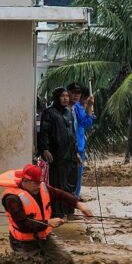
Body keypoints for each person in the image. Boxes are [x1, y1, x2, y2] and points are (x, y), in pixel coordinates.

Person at [0, 164, 92, 254]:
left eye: (39, 182)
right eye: (35, 183)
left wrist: (78, 204)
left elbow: (60, 194)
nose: (38, 186)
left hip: (43, 237)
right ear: (25, 181)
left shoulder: (42, 188)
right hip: (23, 243)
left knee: (64, 261)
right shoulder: (12, 199)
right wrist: (48, 223)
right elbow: (23, 225)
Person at [38, 87, 77, 217]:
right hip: (57, 154)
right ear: (57, 98)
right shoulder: (49, 113)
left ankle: (68, 210)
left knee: (70, 184)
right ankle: (57, 213)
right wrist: (45, 149)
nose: (65, 98)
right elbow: (44, 132)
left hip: (70, 154)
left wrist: (76, 152)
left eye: (67, 95)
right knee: (58, 184)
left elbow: (72, 134)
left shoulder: (69, 113)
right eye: (62, 96)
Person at [67, 82, 95, 198]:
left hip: (79, 147)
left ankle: (74, 200)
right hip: (67, 148)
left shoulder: (77, 107)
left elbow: (85, 122)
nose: (76, 95)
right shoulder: (64, 108)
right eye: (73, 92)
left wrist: (89, 107)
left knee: (77, 177)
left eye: (78, 93)